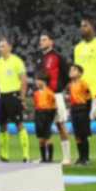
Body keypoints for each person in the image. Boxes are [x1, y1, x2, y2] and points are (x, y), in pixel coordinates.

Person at [73, 19, 96, 160]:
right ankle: (84, 156)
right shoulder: (77, 48)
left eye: (85, 26)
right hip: (82, 93)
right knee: (82, 126)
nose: (82, 28)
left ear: (92, 28)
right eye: (81, 26)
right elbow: (76, 71)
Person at [37, 33, 71, 164]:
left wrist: (60, 88)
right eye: (41, 40)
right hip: (43, 95)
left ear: (51, 42)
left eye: (44, 40)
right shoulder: (39, 57)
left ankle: (67, 157)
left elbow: (67, 75)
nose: (41, 42)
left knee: (60, 125)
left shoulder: (58, 57)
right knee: (44, 127)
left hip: (56, 95)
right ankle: (44, 157)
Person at [0, 37, 29, 162]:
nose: (0, 49)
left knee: (19, 124)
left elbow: (23, 80)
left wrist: (22, 98)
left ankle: (25, 154)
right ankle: (4, 155)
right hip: (1, 96)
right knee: (2, 125)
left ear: (10, 47)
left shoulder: (17, 61)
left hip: (13, 95)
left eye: (3, 46)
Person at [67, 64, 93, 166]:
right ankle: (80, 156)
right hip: (74, 110)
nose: (71, 71)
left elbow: (89, 99)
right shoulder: (70, 85)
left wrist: (87, 112)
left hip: (82, 110)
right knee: (77, 135)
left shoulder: (83, 84)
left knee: (83, 135)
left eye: (74, 70)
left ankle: (86, 157)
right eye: (71, 70)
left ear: (80, 73)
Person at [32, 74, 57, 163]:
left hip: (47, 114)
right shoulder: (36, 93)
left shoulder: (50, 93)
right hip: (38, 115)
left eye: (38, 80)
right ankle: (43, 158)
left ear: (43, 81)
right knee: (41, 138)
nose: (36, 82)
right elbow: (35, 105)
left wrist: (51, 118)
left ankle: (50, 158)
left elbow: (54, 107)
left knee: (47, 137)